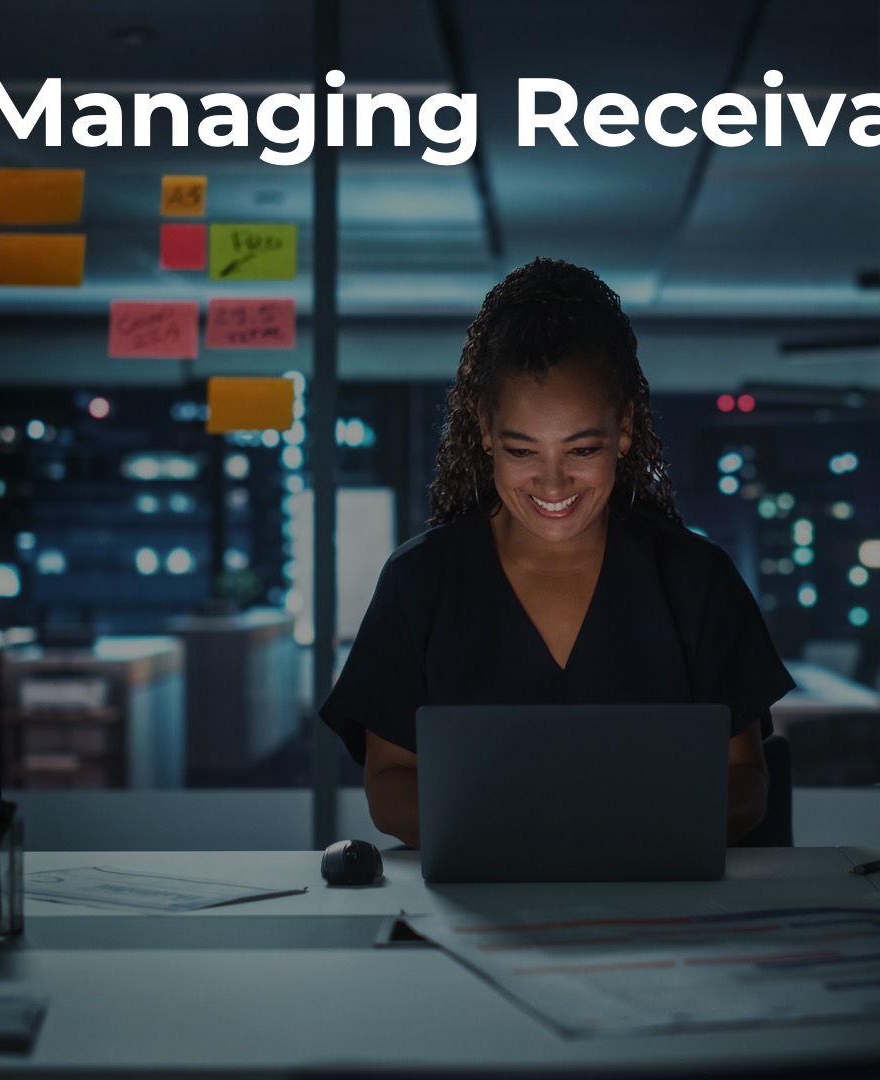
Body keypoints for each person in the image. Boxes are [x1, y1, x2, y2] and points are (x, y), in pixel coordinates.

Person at [318, 258, 795, 848]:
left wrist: (606, 839)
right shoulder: (422, 581)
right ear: (485, 431)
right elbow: (390, 783)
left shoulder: (696, 578)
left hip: (663, 907)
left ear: (624, 428)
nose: (552, 484)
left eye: (582, 449)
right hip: (478, 906)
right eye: (521, 451)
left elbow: (745, 780)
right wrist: (535, 837)